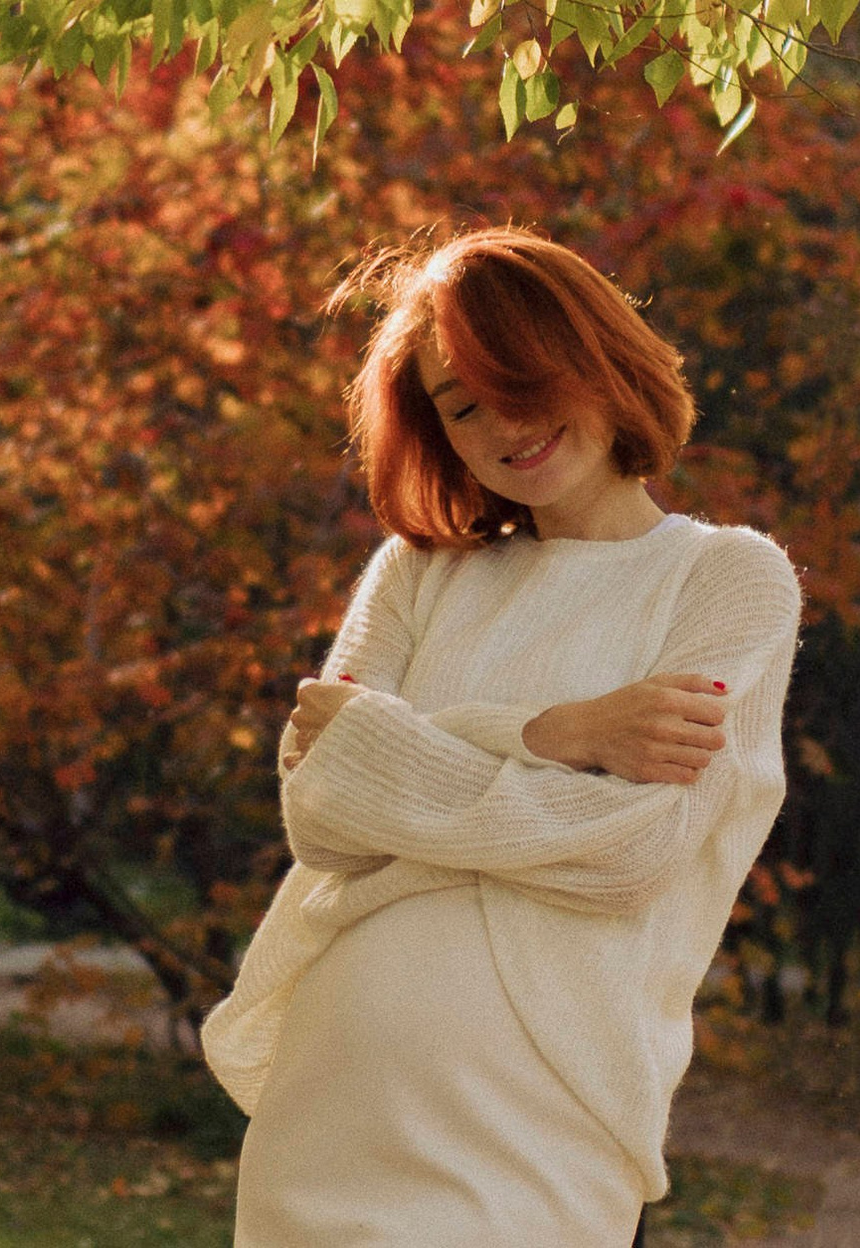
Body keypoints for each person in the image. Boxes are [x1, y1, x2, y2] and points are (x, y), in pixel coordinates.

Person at [201, 226, 802, 1247]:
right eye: (462, 404)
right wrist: (558, 732)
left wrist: (395, 762)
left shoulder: (727, 579)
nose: (503, 425)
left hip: (545, 1115)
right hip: (334, 1102)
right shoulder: (419, 572)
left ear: (597, 358)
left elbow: (628, 853)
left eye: (518, 379)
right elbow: (321, 809)